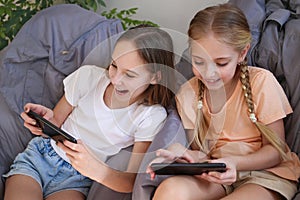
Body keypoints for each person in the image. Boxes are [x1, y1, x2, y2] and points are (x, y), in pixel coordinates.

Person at [3, 25, 175, 200]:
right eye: (114, 65)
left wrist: (98, 171)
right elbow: (55, 122)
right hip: (41, 156)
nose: (115, 80)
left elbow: (131, 181)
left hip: (77, 178)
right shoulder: (88, 77)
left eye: (129, 75)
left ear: (155, 77)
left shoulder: (150, 116)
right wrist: (43, 120)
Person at [147, 3, 300, 200]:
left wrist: (235, 163)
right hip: (217, 173)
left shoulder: (261, 82)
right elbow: (203, 153)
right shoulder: (187, 94)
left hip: (266, 174)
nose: (209, 73)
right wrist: (186, 155)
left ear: (242, 53)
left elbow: (276, 152)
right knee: (169, 192)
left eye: (220, 63)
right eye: (199, 62)